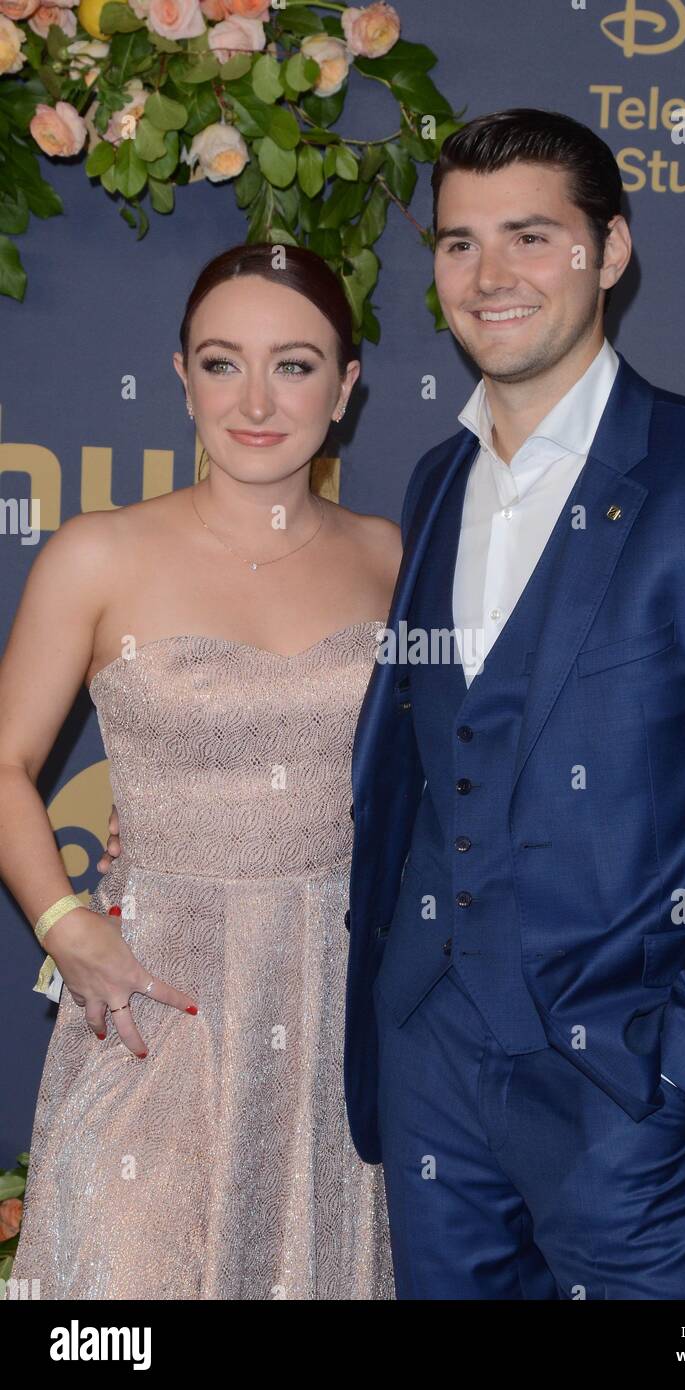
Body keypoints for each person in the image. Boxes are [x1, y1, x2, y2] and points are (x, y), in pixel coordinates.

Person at [340, 109, 685, 1298]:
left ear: (609, 252)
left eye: (531, 236)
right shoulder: (436, 477)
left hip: (630, 1089)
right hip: (428, 1064)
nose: (490, 276)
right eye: (460, 243)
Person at [0, 242, 401, 1299]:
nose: (258, 400)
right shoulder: (98, 554)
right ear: (182, 375)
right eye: (224, 363)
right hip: (155, 1002)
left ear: (347, 386)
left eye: (297, 364)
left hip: (335, 1010)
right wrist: (63, 926)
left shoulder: (394, 561)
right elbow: (3, 762)